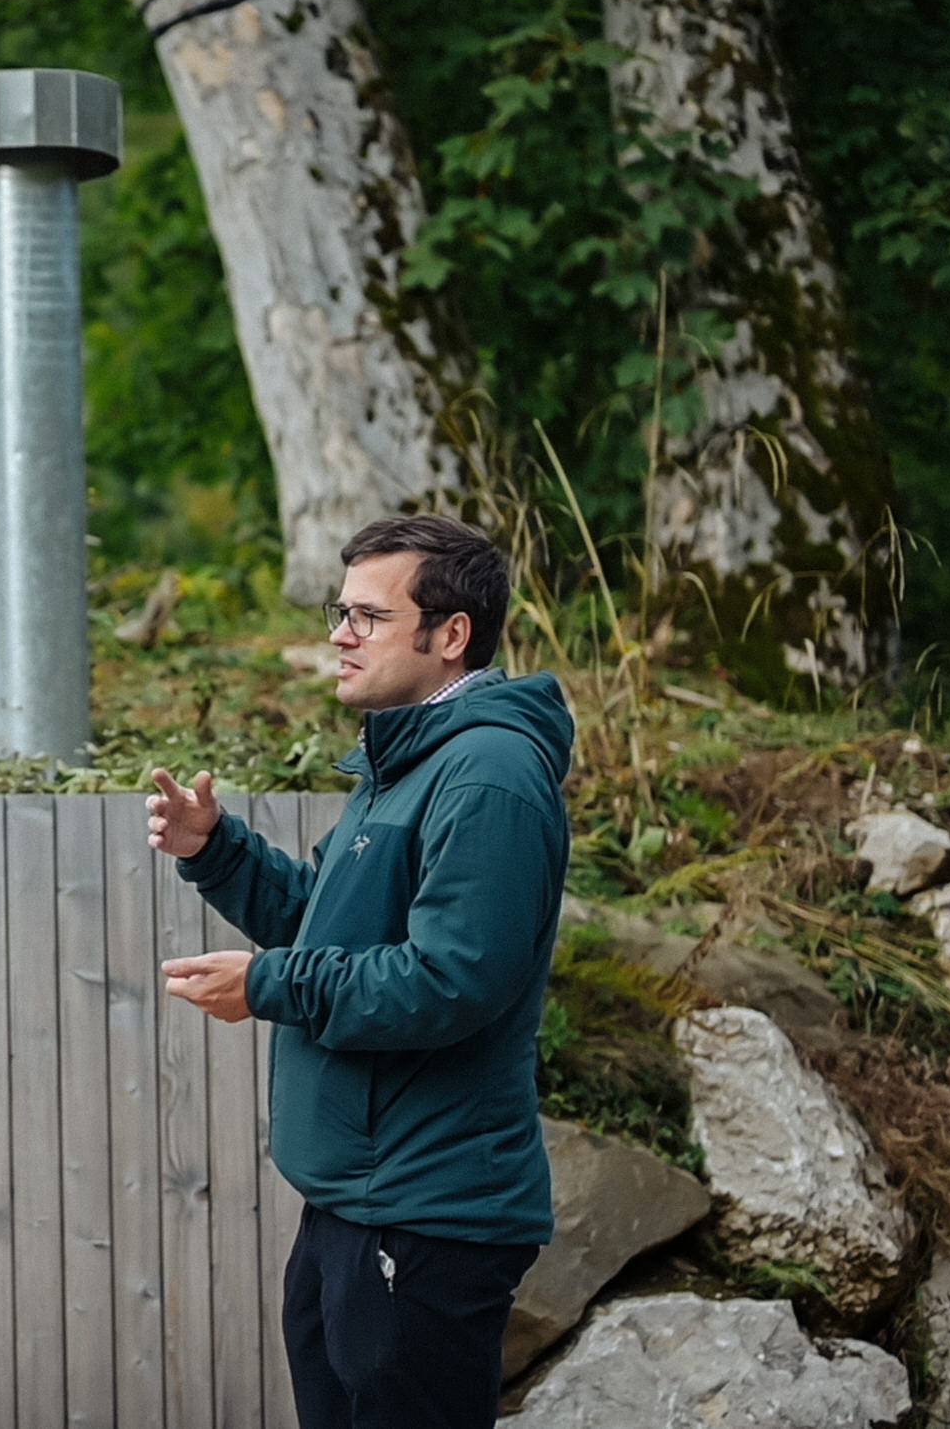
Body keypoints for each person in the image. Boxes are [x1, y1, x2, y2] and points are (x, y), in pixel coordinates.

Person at [147, 514, 573, 1429]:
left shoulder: (488, 774)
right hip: (359, 1207)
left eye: (368, 617)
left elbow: (450, 979)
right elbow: (329, 925)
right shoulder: (408, 761)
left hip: (427, 1217)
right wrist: (218, 852)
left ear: (450, 635)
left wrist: (266, 987)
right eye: (340, 612)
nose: (338, 635)